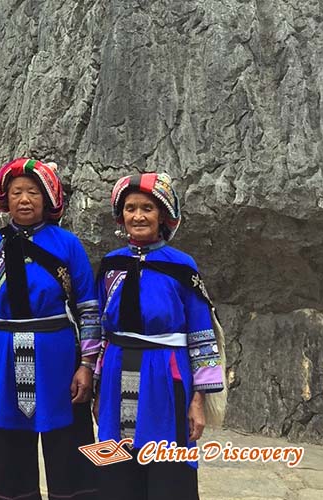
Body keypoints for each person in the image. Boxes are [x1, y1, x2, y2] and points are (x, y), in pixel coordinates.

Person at [0, 158, 101, 500]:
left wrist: (87, 366)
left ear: (48, 198)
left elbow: (88, 308)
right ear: (6, 199)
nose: (24, 199)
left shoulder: (67, 244)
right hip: (3, 355)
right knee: (7, 440)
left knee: (67, 439)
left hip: (58, 358)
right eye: (16, 192)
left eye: (33, 191)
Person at [94, 173, 224, 500]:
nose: (138, 216)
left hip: (167, 376)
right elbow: (100, 329)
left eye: (147, 208)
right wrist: (98, 386)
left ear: (162, 215)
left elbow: (201, 333)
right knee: (119, 466)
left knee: (169, 469)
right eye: (131, 208)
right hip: (116, 372)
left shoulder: (182, 267)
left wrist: (199, 401)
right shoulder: (111, 265)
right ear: (121, 215)